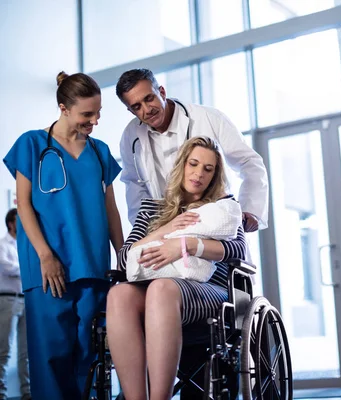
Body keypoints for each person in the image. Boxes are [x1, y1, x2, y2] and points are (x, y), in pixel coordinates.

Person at [2, 72, 124, 399]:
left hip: (92, 264)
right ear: (64, 108)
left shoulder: (99, 152)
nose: (94, 121)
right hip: (45, 266)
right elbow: (24, 205)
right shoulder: (32, 144)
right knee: (51, 357)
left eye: (98, 113)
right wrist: (45, 255)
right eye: (87, 114)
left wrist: (122, 255)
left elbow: (110, 209)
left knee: (91, 355)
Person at [106, 136, 248, 400]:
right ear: (182, 164)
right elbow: (125, 260)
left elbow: (238, 250)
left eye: (208, 169)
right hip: (153, 287)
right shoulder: (151, 209)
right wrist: (166, 230)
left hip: (209, 290)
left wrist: (188, 244)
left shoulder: (222, 209)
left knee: (162, 288)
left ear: (215, 175)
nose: (199, 174)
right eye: (193, 164)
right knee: (119, 294)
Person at [116, 68, 269, 232]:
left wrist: (250, 210)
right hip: (168, 228)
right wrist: (146, 230)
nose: (147, 109)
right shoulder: (130, 136)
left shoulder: (209, 118)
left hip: (215, 221)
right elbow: (134, 185)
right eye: (137, 106)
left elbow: (248, 162)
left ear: (161, 92)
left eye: (149, 98)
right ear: (130, 111)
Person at [0, 209, 30, 400]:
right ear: (11, 223)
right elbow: (8, 267)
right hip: (8, 299)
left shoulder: (26, 245)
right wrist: (27, 268)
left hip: (26, 299)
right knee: (4, 350)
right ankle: (1, 394)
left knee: (25, 352)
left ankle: (27, 393)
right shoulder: (3, 245)